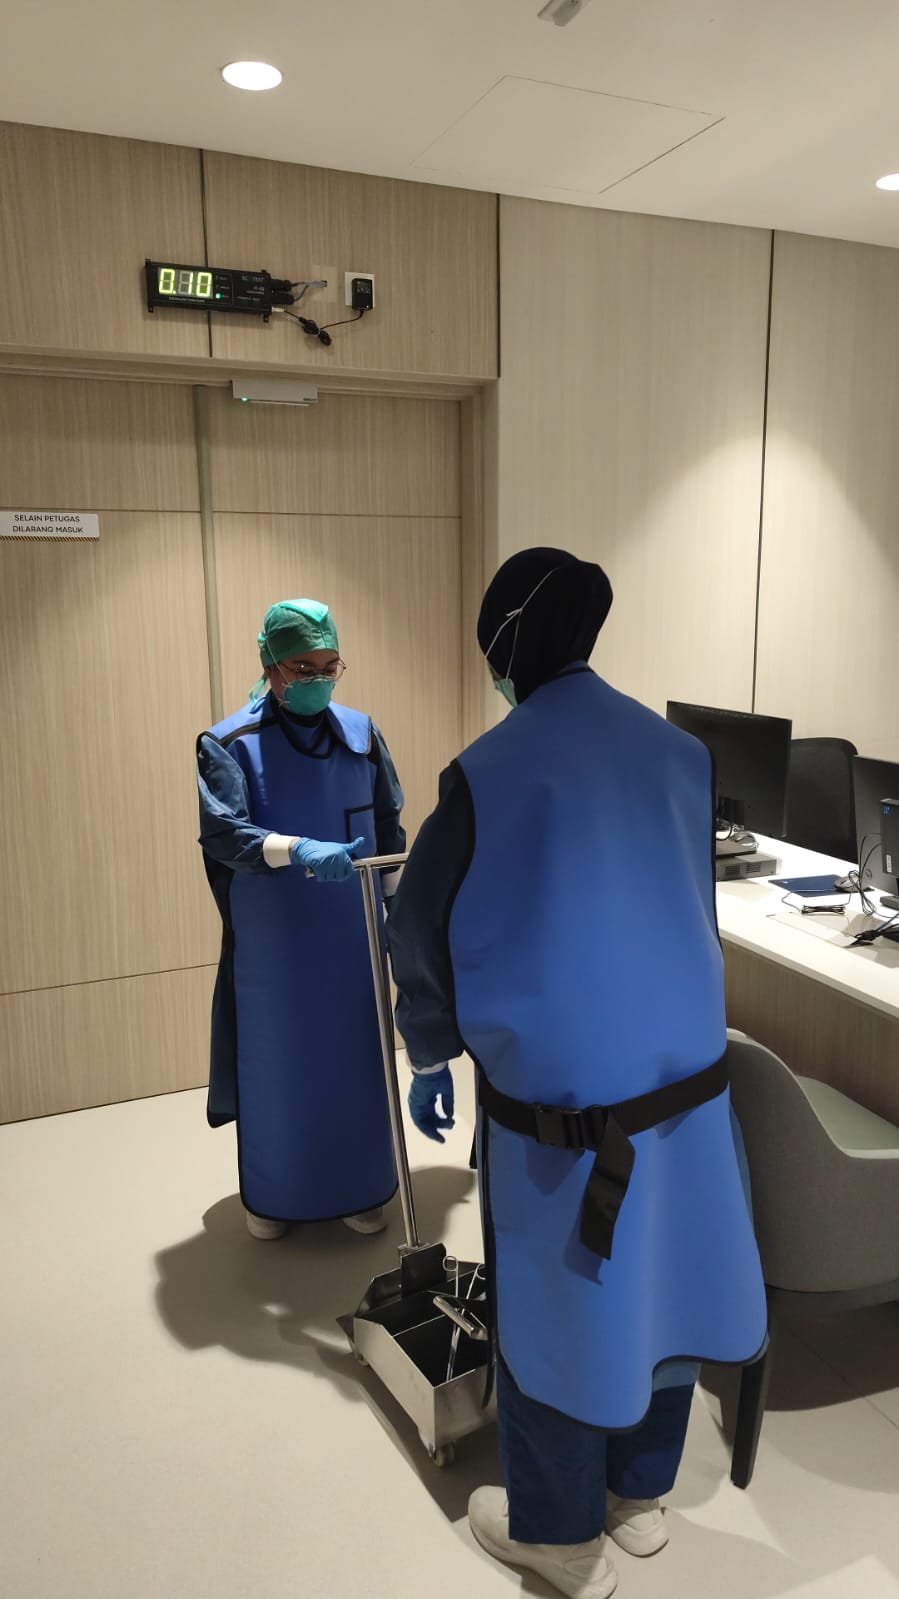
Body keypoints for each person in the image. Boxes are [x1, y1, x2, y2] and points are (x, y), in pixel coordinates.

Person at [387, 549, 767, 1599]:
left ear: (506, 647)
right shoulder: (680, 754)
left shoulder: (486, 773)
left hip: (559, 1121)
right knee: (661, 1283)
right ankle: (636, 1497)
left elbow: (418, 924)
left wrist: (429, 1044)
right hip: (685, 1100)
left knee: (559, 1310)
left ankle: (558, 1535)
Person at [197, 598, 405, 1241]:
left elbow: (388, 826)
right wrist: (297, 849)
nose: (317, 679)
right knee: (281, 1068)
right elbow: (225, 834)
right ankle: (276, 1195)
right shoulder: (230, 744)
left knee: (355, 1062)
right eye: (301, 668)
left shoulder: (361, 736)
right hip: (276, 948)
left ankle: (359, 1186)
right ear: (270, 665)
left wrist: (398, 914)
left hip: (351, 940)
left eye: (328, 666)